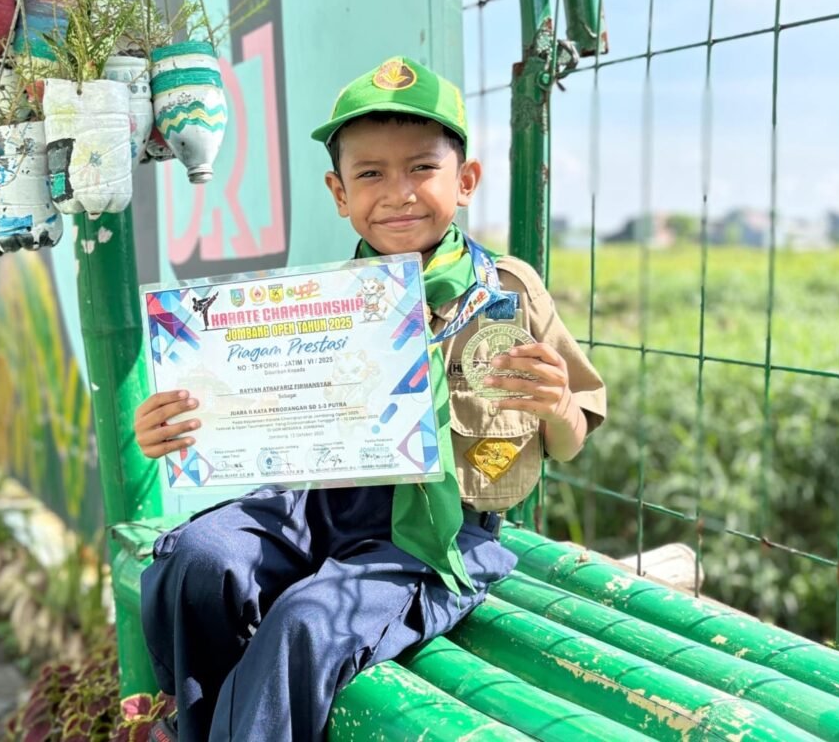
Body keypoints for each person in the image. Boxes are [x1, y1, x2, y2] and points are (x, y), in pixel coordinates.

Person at [135, 56, 606, 742]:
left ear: (465, 180)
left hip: (437, 535)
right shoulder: (318, 304)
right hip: (318, 501)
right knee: (199, 560)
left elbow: (572, 438)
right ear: (338, 192)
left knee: (306, 621)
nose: (399, 193)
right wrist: (180, 430)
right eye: (370, 174)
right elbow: (250, 420)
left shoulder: (506, 290)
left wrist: (557, 405)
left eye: (422, 168)